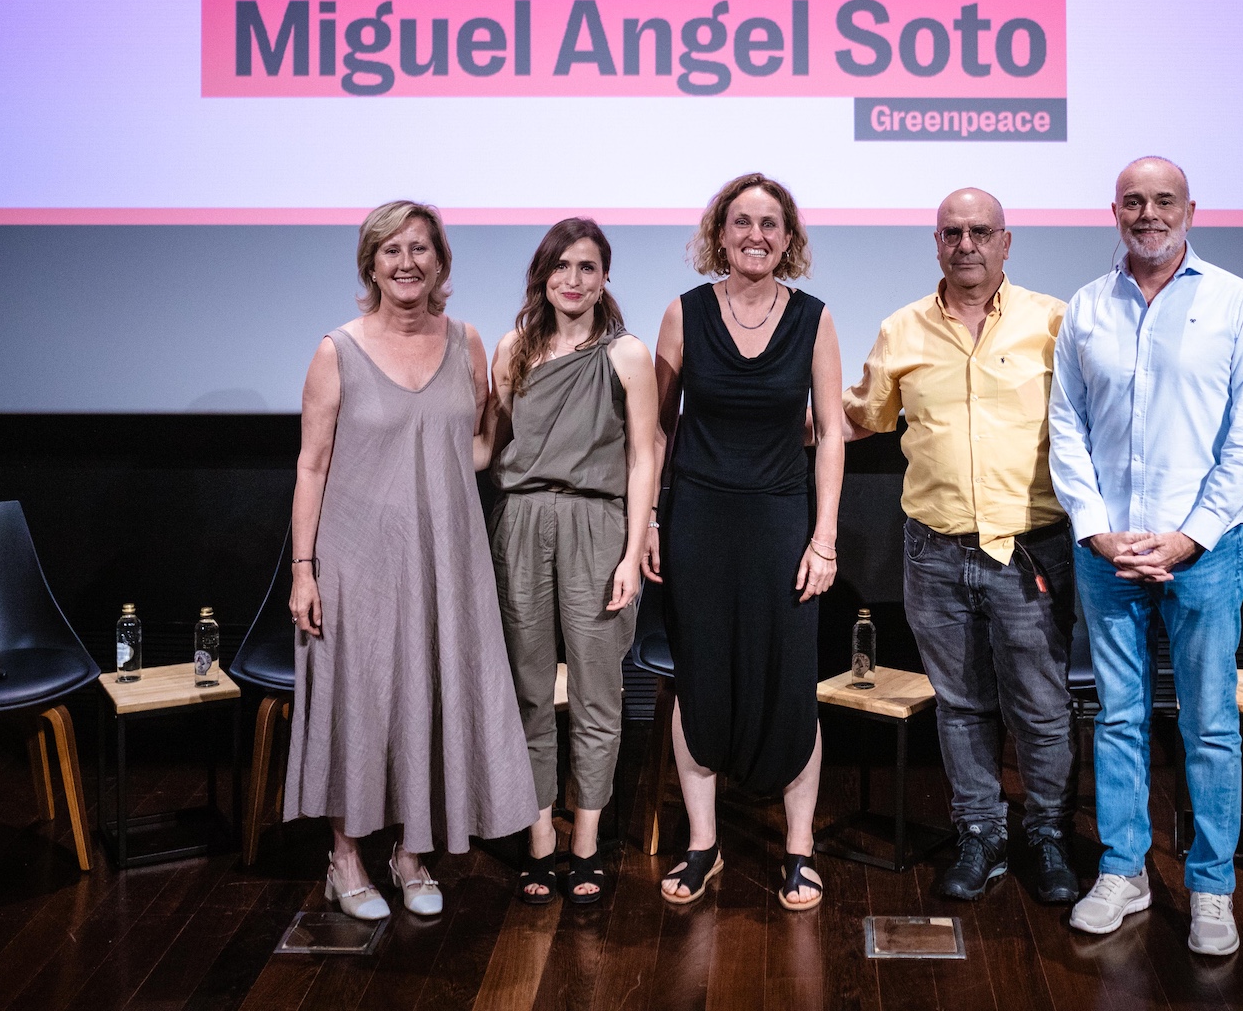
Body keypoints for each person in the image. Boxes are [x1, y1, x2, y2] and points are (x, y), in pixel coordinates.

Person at [1047, 158, 1243, 957]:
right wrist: (1096, 529)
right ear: (1114, 211)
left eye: (1164, 201)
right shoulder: (1087, 307)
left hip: (1203, 555)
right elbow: (1066, 427)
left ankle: (1211, 887)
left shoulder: (1236, 303)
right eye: (1134, 202)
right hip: (1108, 554)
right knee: (1118, 718)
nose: (1148, 214)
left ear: (1190, 209)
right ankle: (1125, 871)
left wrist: (1190, 536)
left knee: (1210, 725)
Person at [283, 200, 539, 919]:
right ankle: (344, 857)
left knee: (429, 697)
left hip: (444, 556)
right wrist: (303, 570)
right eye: (391, 250)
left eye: (420, 248)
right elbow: (311, 465)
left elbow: (474, 448)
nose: (406, 263)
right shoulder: (337, 351)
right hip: (357, 559)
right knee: (360, 701)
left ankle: (411, 853)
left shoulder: (466, 342)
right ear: (371, 264)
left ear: (440, 261)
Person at [842, 187, 1081, 905]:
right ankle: (981, 833)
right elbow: (863, 415)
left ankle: (1048, 835)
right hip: (935, 552)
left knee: (1040, 706)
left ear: (1006, 242)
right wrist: (764, 421)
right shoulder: (902, 329)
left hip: (1029, 552)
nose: (966, 244)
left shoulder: (1054, 322)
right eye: (952, 232)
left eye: (980, 231)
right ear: (937, 243)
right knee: (961, 704)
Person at [644, 173, 845, 912]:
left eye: (769, 223)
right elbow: (656, 432)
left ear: (787, 239)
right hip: (698, 519)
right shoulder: (684, 312)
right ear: (719, 234)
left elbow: (831, 435)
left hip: (781, 522)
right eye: (741, 222)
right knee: (699, 677)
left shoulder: (814, 319)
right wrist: (651, 521)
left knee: (790, 679)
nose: (755, 235)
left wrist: (824, 539)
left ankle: (799, 849)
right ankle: (704, 844)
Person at [484, 219, 660, 906]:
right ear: (543, 275)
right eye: (561, 266)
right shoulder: (513, 349)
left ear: (605, 276)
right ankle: (538, 840)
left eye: (587, 267)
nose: (573, 279)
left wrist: (633, 548)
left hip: (597, 525)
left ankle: (585, 843)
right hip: (521, 524)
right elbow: (493, 445)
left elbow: (644, 456)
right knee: (527, 691)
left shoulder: (627, 355)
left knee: (596, 694)